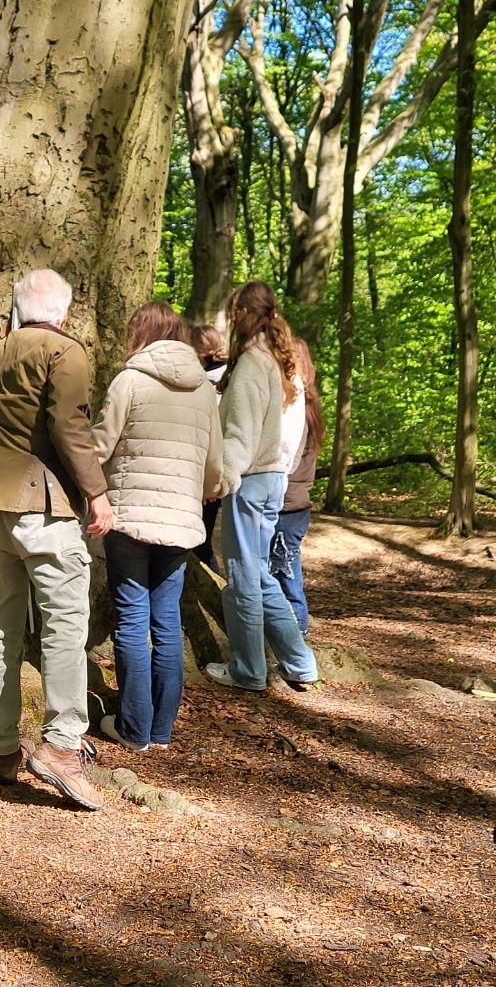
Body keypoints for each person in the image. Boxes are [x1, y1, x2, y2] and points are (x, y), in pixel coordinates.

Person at [0, 269, 112, 811]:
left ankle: (1, 748)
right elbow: (70, 426)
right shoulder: (63, 352)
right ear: (64, 310)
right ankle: (63, 745)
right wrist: (96, 492)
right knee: (65, 628)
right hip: (44, 506)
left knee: (2, 627)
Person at [92, 302, 221, 752]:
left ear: (140, 334)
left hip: (129, 517)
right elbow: (215, 465)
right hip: (181, 523)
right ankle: (161, 730)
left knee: (131, 620)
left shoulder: (129, 380)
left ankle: (133, 728)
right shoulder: (204, 388)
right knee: (166, 621)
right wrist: (206, 488)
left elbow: (101, 445)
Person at [205, 281, 317, 692]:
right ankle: (299, 662)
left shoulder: (254, 362)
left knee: (243, 576)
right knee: (261, 574)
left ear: (242, 313)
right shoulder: (271, 359)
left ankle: (249, 669)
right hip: (270, 478)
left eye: (233, 311)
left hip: (251, 480)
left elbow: (240, 434)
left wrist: (220, 479)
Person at [269, 338, 323, 634]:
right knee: (279, 573)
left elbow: (286, 459)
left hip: (288, 507)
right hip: (292, 504)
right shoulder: (306, 406)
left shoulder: (299, 410)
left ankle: (297, 640)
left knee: (286, 575)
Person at [189, 323, 228, 570]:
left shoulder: (211, 383)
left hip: (208, 474)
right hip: (211, 471)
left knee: (199, 543)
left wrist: (209, 481)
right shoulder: (231, 377)